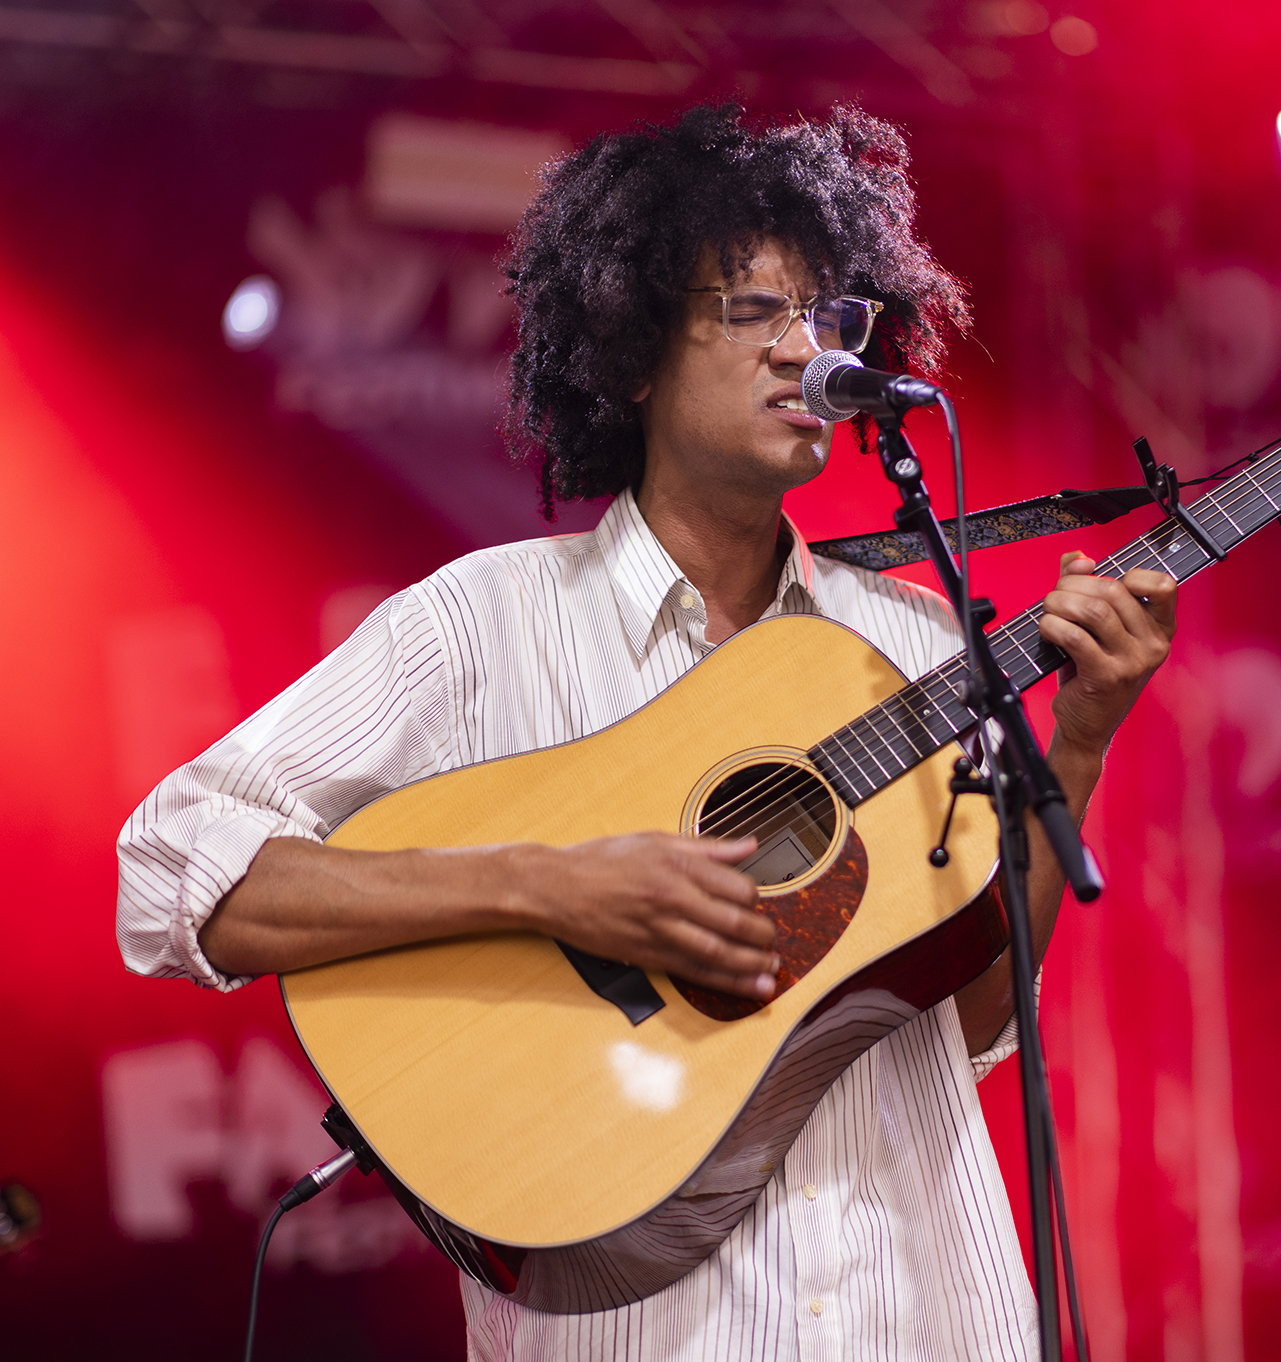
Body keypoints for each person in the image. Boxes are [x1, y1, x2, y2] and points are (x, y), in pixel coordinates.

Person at [116, 104, 1174, 1360]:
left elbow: (979, 1017)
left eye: (829, 319)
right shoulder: (479, 623)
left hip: (920, 1310)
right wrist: (551, 887)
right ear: (629, 350)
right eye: (750, 313)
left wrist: (1080, 747)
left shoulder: (918, 642)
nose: (806, 351)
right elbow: (175, 864)